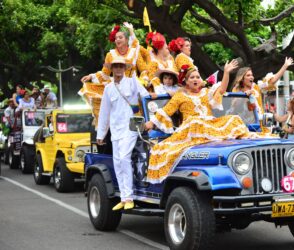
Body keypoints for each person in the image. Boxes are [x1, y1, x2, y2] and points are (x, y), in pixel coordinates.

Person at [143, 60, 262, 184]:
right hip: (191, 128)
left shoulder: (206, 92)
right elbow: (166, 111)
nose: (195, 79)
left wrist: (226, 72)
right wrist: (151, 123)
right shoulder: (180, 96)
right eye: (192, 77)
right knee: (195, 122)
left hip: (210, 124)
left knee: (234, 118)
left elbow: (221, 90)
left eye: (198, 77)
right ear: (186, 81)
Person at [96, 56, 150, 210]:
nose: (118, 69)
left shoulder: (133, 82)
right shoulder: (108, 88)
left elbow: (146, 96)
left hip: (131, 127)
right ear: (112, 69)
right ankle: (124, 197)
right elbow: (104, 112)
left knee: (125, 158)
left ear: (125, 68)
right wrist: (100, 135)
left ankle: (129, 196)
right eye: (115, 66)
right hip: (115, 130)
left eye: (121, 66)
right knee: (118, 161)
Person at [231, 57, 294, 131]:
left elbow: (272, 81)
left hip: (259, 124)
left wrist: (285, 66)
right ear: (242, 78)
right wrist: (244, 96)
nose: (251, 77)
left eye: (252, 75)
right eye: (248, 75)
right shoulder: (236, 89)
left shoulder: (257, 87)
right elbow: (234, 106)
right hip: (243, 125)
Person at [81, 22, 149, 84]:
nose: (118, 40)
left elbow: (143, 70)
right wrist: (91, 76)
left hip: (133, 86)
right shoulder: (110, 55)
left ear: (126, 40)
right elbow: (105, 74)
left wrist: (144, 80)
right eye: (116, 38)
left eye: (120, 37)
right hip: (117, 86)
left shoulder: (134, 52)